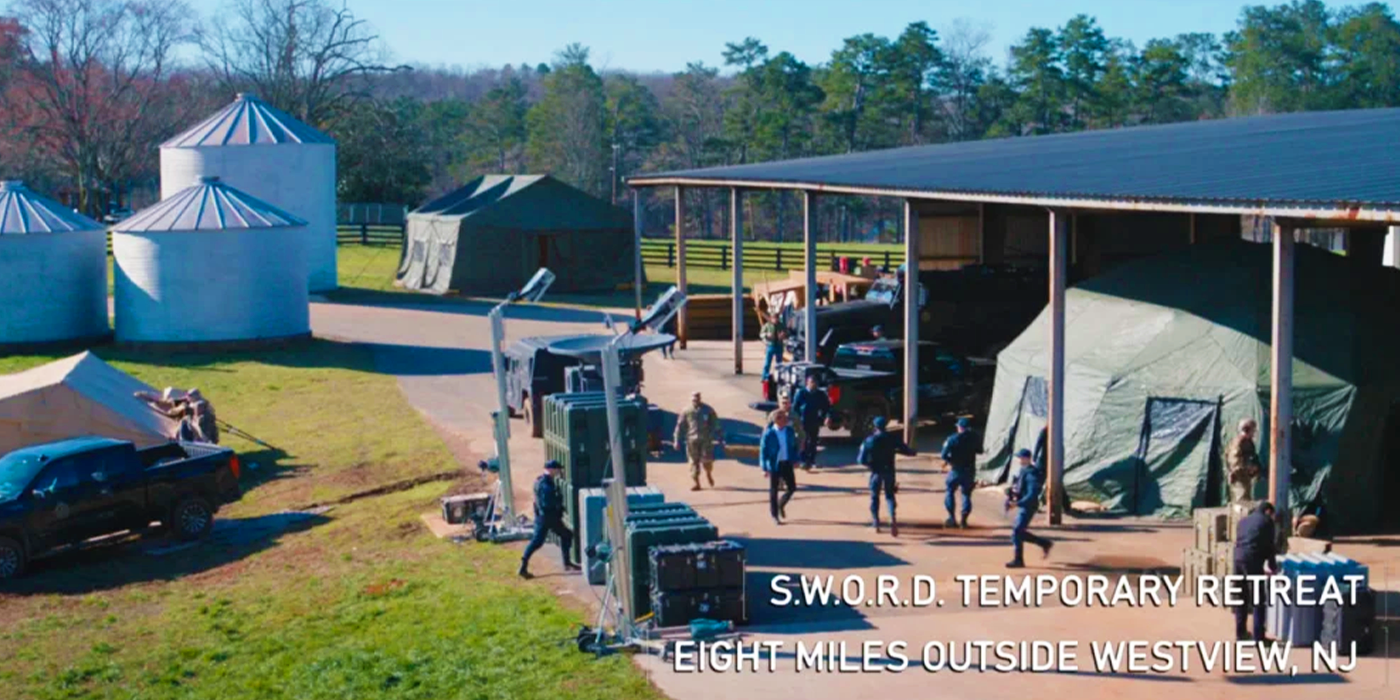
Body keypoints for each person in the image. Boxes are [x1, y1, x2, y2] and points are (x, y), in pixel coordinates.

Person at [519, 460, 579, 579]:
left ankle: (566, 563)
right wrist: (558, 506)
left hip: (543, 517)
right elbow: (547, 503)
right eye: (557, 469)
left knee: (564, 535)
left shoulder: (540, 480)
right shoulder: (546, 484)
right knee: (538, 542)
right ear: (551, 470)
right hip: (548, 517)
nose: (558, 472)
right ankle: (523, 566)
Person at [857, 416, 915, 536]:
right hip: (889, 471)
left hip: (876, 472)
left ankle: (876, 522)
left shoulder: (869, 440)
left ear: (875, 426)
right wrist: (911, 451)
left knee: (874, 497)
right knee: (889, 495)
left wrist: (870, 466)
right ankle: (892, 516)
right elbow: (907, 451)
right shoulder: (893, 438)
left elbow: (860, 460)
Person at [1231, 501, 1279, 642]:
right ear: (1268, 512)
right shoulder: (1267, 522)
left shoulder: (1243, 521)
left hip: (1237, 559)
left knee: (1241, 598)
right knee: (1258, 599)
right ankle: (1259, 637)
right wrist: (1273, 566)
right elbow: (1270, 546)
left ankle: (1241, 634)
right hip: (1252, 560)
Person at [1005, 449, 1053, 568]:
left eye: (1021, 458)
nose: (1019, 460)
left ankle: (1018, 560)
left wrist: (1017, 503)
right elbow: (1020, 487)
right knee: (1017, 532)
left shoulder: (1032, 473)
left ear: (1027, 458)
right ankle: (1044, 543)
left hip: (1028, 506)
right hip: (1024, 505)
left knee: (1017, 532)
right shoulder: (1024, 470)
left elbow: (1032, 494)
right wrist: (1012, 491)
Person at [674, 391, 722, 491]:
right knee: (693, 462)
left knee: (707, 460)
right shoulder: (686, 411)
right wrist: (676, 440)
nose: (695, 402)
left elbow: (715, 423)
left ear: (700, 399)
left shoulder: (708, 410)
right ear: (691, 400)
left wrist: (719, 436)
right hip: (692, 440)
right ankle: (696, 483)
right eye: (694, 400)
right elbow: (680, 426)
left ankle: (708, 473)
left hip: (706, 440)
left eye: (697, 399)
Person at [760, 410, 800, 525]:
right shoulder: (769, 434)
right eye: (782, 418)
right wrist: (764, 468)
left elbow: (794, 447)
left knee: (792, 487)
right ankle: (774, 515)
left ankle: (780, 504)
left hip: (787, 463)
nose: (785, 420)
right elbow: (763, 452)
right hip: (774, 464)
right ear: (776, 420)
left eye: (785, 417)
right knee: (774, 490)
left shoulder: (789, 431)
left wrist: (796, 460)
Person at [941, 417, 981, 528]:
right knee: (966, 494)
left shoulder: (952, 439)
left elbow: (943, 455)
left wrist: (950, 462)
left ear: (959, 427)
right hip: (969, 470)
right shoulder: (975, 437)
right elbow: (980, 450)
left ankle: (952, 518)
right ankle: (964, 520)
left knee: (950, 491)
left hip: (956, 470)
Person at [791, 375, 831, 471]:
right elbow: (795, 408)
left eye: (816, 383)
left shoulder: (820, 394)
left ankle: (812, 461)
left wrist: (827, 417)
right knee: (803, 441)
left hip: (815, 421)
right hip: (802, 421)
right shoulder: (801, 393)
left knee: (813, 442)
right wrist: (794, 420)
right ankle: (803, 461)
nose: (814, 385)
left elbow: (827, 407)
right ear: (807, 383)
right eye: (812, 383)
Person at [1226, 419, 1261, 503]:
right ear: (1247, 429)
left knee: (1246, 499)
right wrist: (1247, 468)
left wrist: (1254, 468)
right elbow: (1234, 461)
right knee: (1241, 501)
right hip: (1239, 477)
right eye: (1253, 430)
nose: (1254, 433)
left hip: (1245, 477)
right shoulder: (1239, 442)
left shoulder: (1248, 442)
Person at [759, 310, 786, 381]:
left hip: (779, 345)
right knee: (767, 362)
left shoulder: (781, 325)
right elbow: (761, 334)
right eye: (774, 318)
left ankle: (779, 376)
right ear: (771, 318)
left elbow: (787, 333)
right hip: (770, 345)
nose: (775, 319)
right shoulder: (767, 325)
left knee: (779, 363)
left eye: (776, 318)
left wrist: (783, 335)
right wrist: (767, 335)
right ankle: (764, 376)